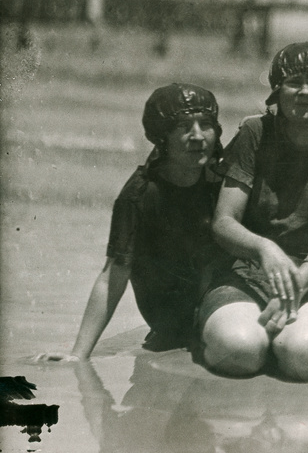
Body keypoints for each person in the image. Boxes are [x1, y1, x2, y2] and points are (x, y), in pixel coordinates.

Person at [197, 42, 308, 380]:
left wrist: (299, 284)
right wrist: (264, 248)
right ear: (277, 88)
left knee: (301, 355)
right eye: (294, 82)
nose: (305, 92)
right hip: (247, 275)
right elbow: (223, 222)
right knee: (240, 351)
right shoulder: (254, 132)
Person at [36, 83, 223, 361]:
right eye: (184, 126)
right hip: (172, 327)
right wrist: (78, 354)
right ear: (163, 137)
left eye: (205, 124)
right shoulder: (138, 196)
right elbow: (113, 274)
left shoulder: (224, 181)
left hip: (222, 308)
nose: (198, 136)